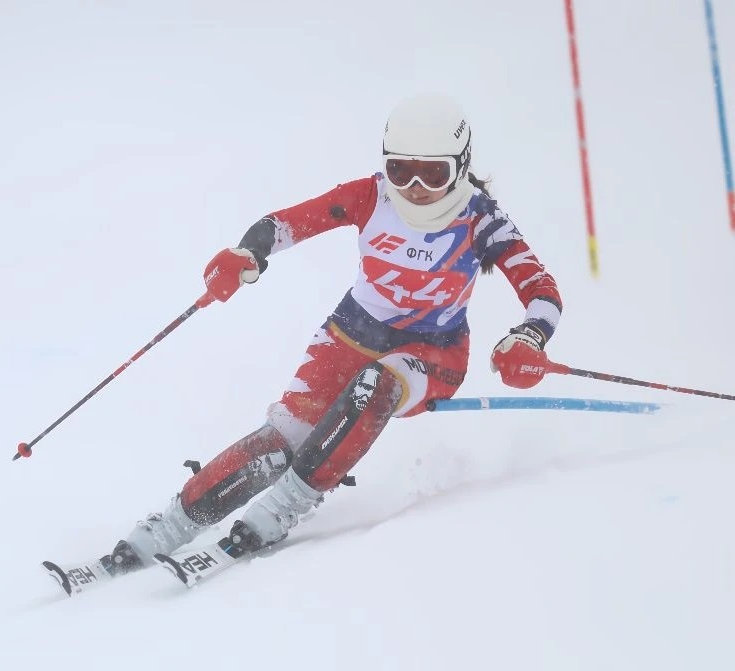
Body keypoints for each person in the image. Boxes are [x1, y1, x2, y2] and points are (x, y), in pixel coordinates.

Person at [102, 93, 563, 573]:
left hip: (434, 352)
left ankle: (283, 508)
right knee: (281, 439)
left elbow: (542, 290)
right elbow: (285, 224)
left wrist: (529, 337)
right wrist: (247, 253)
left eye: (433, 173)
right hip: (350, 334)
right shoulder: (371, 195)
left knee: (375, 386)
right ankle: (169, 526)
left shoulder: (481, 218)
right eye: (401, 171)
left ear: (461, 166)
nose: (415, 188)